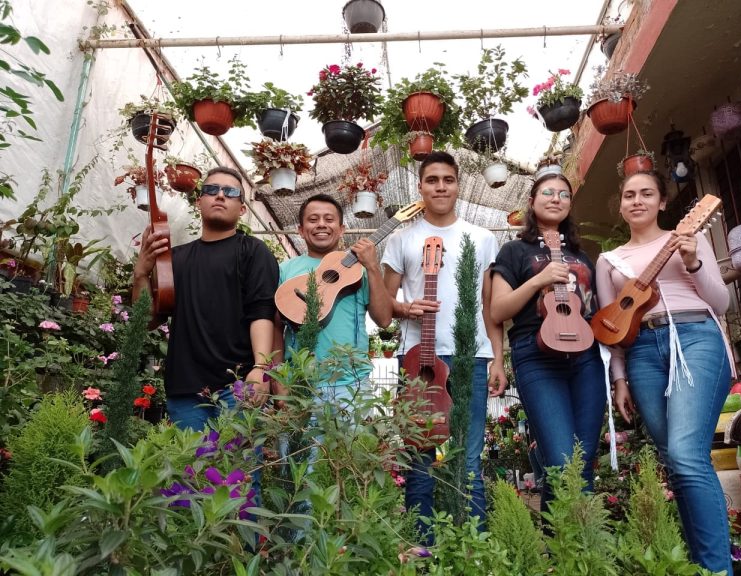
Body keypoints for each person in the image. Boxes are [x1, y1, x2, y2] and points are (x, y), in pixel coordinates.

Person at [595, 170, 733, 575]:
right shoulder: (609, 261)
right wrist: (619, 378)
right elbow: (612, 328)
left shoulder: (687, 239)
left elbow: (721, 302)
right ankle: (699, 566)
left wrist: (692, 261)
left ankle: (717, 570)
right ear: (620, 205)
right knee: (675, 462)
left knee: (688, 457)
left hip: (696, 338)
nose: (637, 200)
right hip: (642, 353)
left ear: (662, 201)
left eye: (647, 193)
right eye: (629, 195)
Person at [381, 151, 507, 536]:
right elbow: (383, 310)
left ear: (458, 185)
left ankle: (474, 545)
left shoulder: (483, 238)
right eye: (432, 179)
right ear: (420, 186)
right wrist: (407, 308)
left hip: (471, 354)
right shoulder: (401, 238)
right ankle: (422, 547)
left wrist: (498, 359)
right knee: (420, 457)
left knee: (468, 458)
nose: (440, 186)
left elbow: (489, 305)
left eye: (447, 179)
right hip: (419, 358)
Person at [489, 169, 606, 514]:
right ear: (531, 202)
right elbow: (497, 310)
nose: (556, 198)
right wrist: (537, 280)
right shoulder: (514, 251)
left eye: (564, 194)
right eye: (548, 192)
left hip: (585, 356)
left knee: (583, 461)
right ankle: (563, 552)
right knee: (559, 460)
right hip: (536, 354)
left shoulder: (582, 256)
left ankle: (577, 554)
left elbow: (595, 308)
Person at [133, 166, 279, 431]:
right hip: (186, 390)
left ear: (242, 208)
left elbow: (262, 313)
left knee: (240, 470)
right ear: (199, 201)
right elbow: (146, 321)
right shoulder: (174, 260)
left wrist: (260, 368)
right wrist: (141, 273)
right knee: (191, 471)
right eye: (211, 190)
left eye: (230, 192)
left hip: (238, 386)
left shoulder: (253, 252)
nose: (220, 195)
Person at [273, 193, 392, 406]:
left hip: (351, 384)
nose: (321, 225)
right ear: (300, 230)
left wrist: (373, 266)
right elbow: (274, 325)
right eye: (312, 219)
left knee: (355, 441)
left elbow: (384, 320)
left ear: (341, 229)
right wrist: (277, 374)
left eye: (329, 220)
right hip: (297, 382)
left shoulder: (360, 271)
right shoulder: (285, 270)